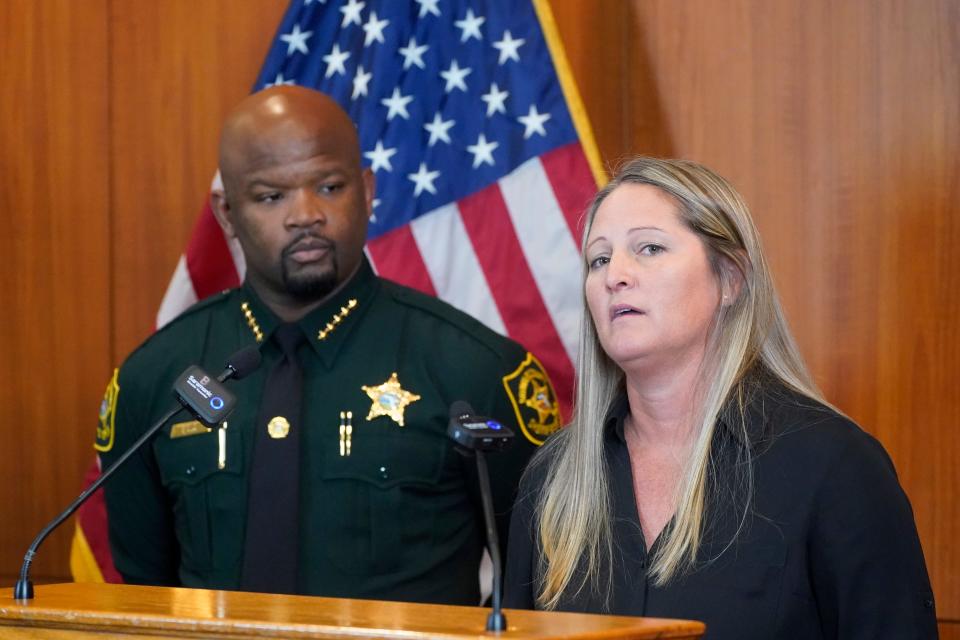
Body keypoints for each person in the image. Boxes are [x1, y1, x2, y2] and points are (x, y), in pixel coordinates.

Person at [94, 86, 560, 604]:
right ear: (226, 213)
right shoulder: (156, 379)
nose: (306, 214)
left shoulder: (475, 371)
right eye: (272, 197)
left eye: (330, 187)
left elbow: (538, 592)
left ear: (366, 190)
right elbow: (147, 601)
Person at [503, 157, 937, 638]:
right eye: (599, 259)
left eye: (649, 248)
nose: (615, 276)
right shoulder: (553, 477)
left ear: (729, 278)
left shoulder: (834, 466)